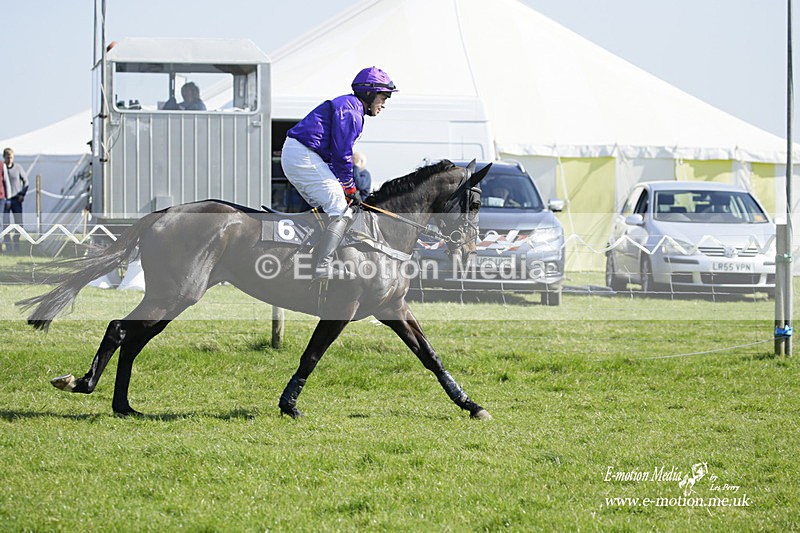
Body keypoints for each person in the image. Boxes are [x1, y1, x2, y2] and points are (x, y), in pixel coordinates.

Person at [280, 66, 397, 280]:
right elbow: (342, 154)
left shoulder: (351, 107)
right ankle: (321, 265)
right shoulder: (352, 111)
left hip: (302, 154)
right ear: (369, 94)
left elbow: (337, 156)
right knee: (339, 207)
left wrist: (346, 188)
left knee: (334, 207)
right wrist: (350, 188)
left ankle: (308, 257)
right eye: (383, 98)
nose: (383, 105)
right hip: (303, 154)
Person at [3, 147, 28, 253]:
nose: (9, 159)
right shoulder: (2, 168)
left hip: (16, 200)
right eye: (8, 157)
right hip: (4, 200)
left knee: (19, 223)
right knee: (5, 224)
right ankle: (8, 246)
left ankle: (16, 241)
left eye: (11, 157)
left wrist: (22, 194)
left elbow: (26, 181)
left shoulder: (18, 168)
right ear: (4, 157)